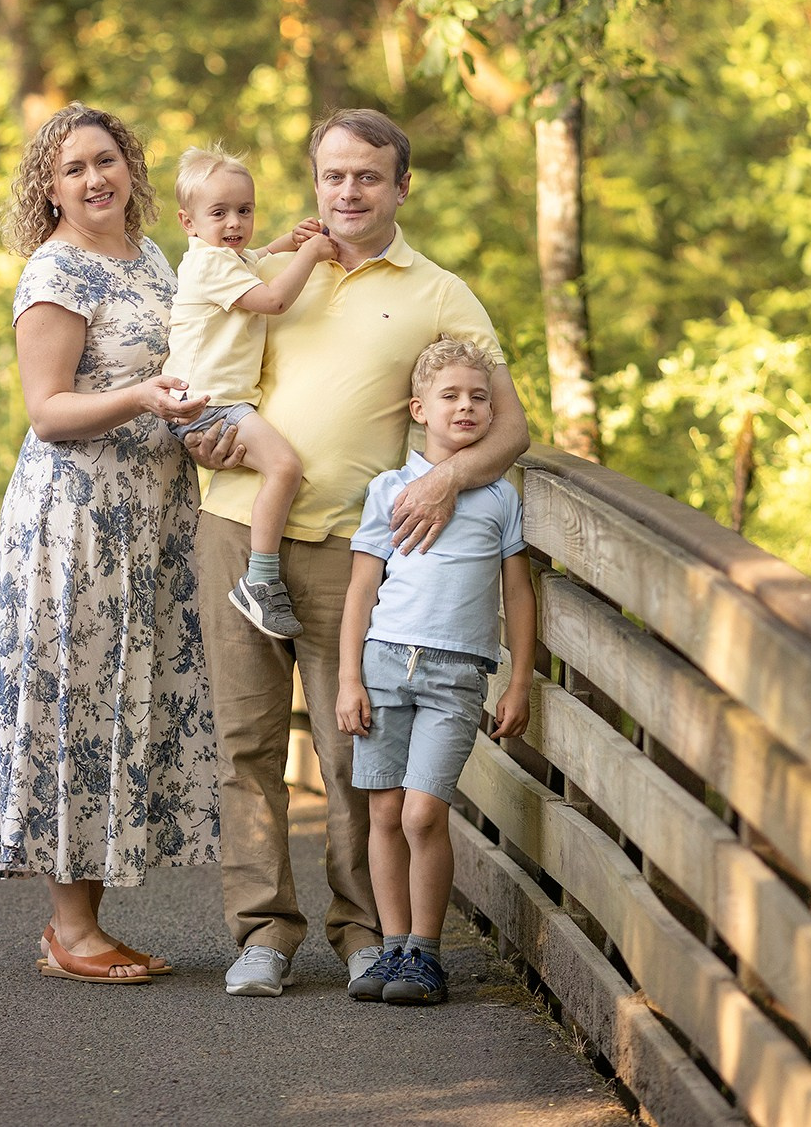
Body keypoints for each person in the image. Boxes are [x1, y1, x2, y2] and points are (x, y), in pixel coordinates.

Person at [184, 108, 529, 998]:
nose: (348, 191)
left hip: (355, 543)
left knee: (351, 747)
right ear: (315, 179)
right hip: (236, 525)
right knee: (246, 743)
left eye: (368, 176)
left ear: (401, 185)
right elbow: (205, 375)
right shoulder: (261, 268)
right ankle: (261, 933)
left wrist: (450, 480)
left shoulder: (440, 292)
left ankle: (363, 932)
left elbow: (512, 426)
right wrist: (195, 432)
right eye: (333, 175)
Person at [0, 101, 221, 985]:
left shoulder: (150, 256)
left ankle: (88, 923)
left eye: (106, 159)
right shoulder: (57, 271)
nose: (95, 178)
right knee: (78, 703)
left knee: (125, 699)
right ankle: (70, 931)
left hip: (151, 513)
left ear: (132, 166)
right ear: (50, 186)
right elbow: (49, 412)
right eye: (74, 167)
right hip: (76, 520)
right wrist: (148, 397)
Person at [337, 337, 537, 1005]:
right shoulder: (387, 490)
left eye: (480, 396)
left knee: (424, 812)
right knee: (386, 811)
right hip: (384, 661)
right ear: (420, 407)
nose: (468, 406)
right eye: (451, 395)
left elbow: (518, 594)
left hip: (455, 673)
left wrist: (519, 679)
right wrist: (348, 678)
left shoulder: (499, 497)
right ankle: (394, 950)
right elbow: (362, 591)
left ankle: (427, 951)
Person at [161, 145, 336, 641]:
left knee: (279, 467)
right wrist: (310, 252)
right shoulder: (209, 266)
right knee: (285, 467)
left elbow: (256, 259)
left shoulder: (225, 258)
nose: (235, 222)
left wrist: (285, 241)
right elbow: (274, 299)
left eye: (245, 210)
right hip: (208, 403)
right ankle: (260, 579)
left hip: (216, 400)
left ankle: (261, 575)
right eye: (219, 213)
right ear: (188, 221)